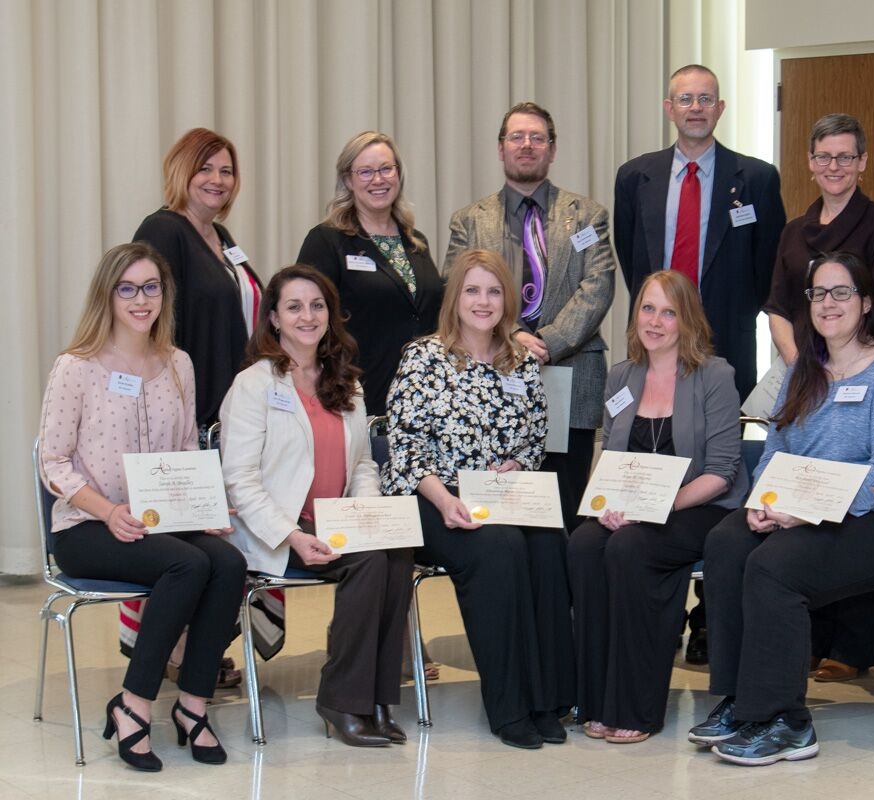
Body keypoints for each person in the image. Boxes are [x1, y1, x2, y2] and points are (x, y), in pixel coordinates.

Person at [690, 252, 874, 767]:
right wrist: (764, 502)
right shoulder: (802, 367)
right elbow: (776, 447)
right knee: (727, 540)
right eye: (818, 294)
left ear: (867, 302)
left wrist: (812, 512)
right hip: (804, 507)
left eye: (842, 292)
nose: (829, 304)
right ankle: (742, 698)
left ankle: (786, 721)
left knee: (775, 566)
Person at [38, 242, 246, 771]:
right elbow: (54, 462)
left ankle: (193, 706)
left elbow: (183, 452)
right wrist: (107, 511)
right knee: (188, 563)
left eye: (151, 287)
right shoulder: (76, 366)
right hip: (86, 526)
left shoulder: (178, 363)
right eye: (127, 288)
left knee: (228, 561)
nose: (140, 299)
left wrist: (203, 508)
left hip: (161, 520)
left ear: (164, 294)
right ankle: (133, 705)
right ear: (107, 295)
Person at [614, 63, 785, 663]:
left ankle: (712, 618)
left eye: (705, 99)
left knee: (718, 475)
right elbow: (635, 263)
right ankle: (651, 599)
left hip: (723, 350)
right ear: (669, 107)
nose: (694, 108)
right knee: (654, 450)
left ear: (720, 107)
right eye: (684, 99)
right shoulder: (635, 176)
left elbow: (768, 269)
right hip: (656, 347)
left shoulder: (756, 179)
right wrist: (658, 327)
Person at [382, 249, 573, 750]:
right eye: (472, 290)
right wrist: (445, 500)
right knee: (500, 548)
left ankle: (548, 699)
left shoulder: (519, 361)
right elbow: (404, 447)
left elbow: (534, 439)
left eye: (493, 291)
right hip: (428, 496)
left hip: (498, 495)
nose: (483, 301)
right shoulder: (423, 356)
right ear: (455, 297)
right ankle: (510, 706)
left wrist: (517, 465)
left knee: (550, 542)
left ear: (507, 299)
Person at [220, 265, 413, 748]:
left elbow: (365, 463)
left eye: (317, 305)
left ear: (331, 314)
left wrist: (365, 514)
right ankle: (343, 701)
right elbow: (238, 481)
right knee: (370, 561)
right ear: (274, 320)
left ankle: (377, 698)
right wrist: (292, 534)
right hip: (279, 531)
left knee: (396, 552)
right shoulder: (254, 384)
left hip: (337, 523)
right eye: (294, 306)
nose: (308, 316)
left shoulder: (344, 379)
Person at [764, 112, 874, 684]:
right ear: (810, 163)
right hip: (807, 372)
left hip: (860, 368)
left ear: (862, 162)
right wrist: (803, 363)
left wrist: (843, 350)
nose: (834, 167)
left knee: (854, 491)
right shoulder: (793, 230)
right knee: (804, 486)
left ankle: (850, 648)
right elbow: (779, 306)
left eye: (846, 157)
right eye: (824, 156)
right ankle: (800, 641)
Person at [568, 270, 747, 744]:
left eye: (669, 312)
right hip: (632, 508)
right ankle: (596, 698)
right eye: (648, 308)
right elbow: (608, 453)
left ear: (687, 321)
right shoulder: (622, 376)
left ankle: (637, 707)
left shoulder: (715, 375)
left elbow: (723, 470)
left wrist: (661, 507)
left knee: (630, 548)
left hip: (700, 506)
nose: (656, 321)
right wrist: (602, 504)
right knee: (585, 544)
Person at [130, 127, 262, 686]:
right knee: (190, 538)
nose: (216, 179)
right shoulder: (165, 230)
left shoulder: (222, 236)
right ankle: (178, 653)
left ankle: (197, 649)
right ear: (181, 171)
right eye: (205, 167)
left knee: (214, 536)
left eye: (226, 170)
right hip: (185, 411)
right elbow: (145, 317)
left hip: (228, 410)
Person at [445, 102, 615, 530]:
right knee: (504, 509)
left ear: (552, 150)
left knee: (566, 508)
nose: (526, 145)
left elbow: (598, 286)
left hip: (572, 373)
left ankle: (567, 599)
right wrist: (513, 336)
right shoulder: (468, 221)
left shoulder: (588, 215)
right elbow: (455, 286)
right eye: (516, 137)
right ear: (500, 148)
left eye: (537, 138)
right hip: (491, 377)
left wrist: (548, 344)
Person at [297, 131, 443, 417]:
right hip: (354, 399)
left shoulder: (416, 242)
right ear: (348, 180)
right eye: (365, 172)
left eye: (386, 169)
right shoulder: (327, 241)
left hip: (422, 401)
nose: (378, 180)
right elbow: (305, 322)